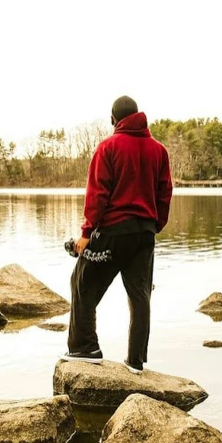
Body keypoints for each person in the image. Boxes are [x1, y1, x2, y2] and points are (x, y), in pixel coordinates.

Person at [64, 95, 173, 373]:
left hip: (113, 233)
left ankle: (84, 348)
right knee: (140, 297)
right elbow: (164, 193)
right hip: (144, 234)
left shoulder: (108, 147)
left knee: (82, 283)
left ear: (114, 120)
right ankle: (135, 361)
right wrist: (154, 225)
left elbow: (98, 194)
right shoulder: (159, 150)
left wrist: (87, 234)